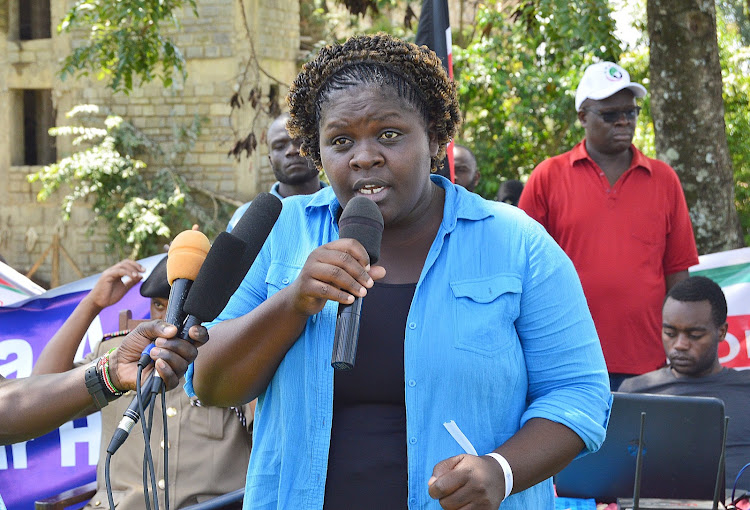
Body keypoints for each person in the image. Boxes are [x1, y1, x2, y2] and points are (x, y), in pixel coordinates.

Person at [186, 34, 610, 510]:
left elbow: (579, 393)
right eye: (340, 140)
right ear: (318, 152)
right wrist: (292, 303)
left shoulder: (517, 242)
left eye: (388, 134)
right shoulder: (280, 233)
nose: (364, 156)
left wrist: (502, 470)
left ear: (433, 136)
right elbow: (211, 383)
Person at [518, 61, 699, 390]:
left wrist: (679, 345)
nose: (623, 121)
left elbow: (677, 273)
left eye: (630, 112)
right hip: (567, 360)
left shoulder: (664, 179)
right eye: (610, 113)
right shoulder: (547, 176)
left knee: (644, 443)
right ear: (583, 116)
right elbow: (522, 269)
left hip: (649, 363)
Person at [32, 257, 252, 510]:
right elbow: (41, 390)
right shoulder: (119, 356)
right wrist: (92, 304)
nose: (170, 320)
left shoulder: (233, 358)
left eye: (183, 308)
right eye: (159, 305)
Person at [619, 276, 750, 488]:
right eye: (670, 333)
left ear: (722, 332)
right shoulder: (634, 393)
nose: (679, 345)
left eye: (695, 335)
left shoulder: (746, 388)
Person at [1, 320, 204, 446]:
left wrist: (114, 371)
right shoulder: (116, 349)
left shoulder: (210, 354)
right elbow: (20, 399)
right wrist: (92, 303)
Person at [227, 112, 327, 232]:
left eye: (301, 142)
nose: (292, 150)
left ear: (318, 150)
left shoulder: (341, 208)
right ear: (270, 160)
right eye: (280, 146)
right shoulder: (245, 219)